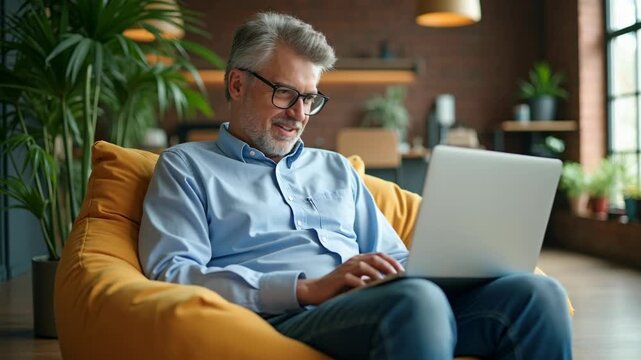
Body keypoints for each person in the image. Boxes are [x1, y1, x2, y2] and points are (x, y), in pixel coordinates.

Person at [139, 12, 572, 359]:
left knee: (538, 294)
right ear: (237, 83)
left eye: (310, 99)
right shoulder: (185, 167)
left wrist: (432, 269)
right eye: (286, 93)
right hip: (289, 315)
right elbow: (172, 272)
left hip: (385, 303)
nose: (300, 113)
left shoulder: (336, 169)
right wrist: (305, 288)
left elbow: (392, 254)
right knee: (416, 303)